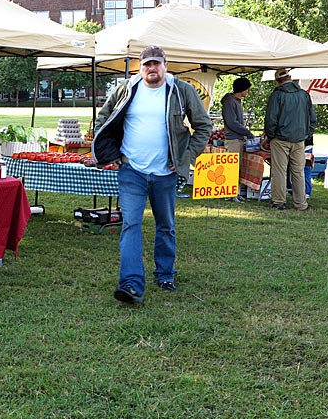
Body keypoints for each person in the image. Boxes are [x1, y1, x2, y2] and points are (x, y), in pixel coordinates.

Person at [92, 46, 212, 305]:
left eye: (157, 64)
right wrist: (111, 153)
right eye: (147, 64)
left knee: (166, 225)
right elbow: (103, 120)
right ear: (140, 67)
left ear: (165, 65)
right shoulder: (126, 90)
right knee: (131, 224)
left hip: (165, 173)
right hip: (131, 170)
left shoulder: (181, 91)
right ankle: (131, 284)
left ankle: (165, 273)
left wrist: (186, 158)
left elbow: (203, 126)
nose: (152, 69)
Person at [263, 68, 315, 211]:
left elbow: (271, 119)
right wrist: (306, 135)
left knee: (279, 171)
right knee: (298, 171)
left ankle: (279, 201)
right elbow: (312, 118)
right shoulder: (304, 95)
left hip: (280, 139)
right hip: (299, 139)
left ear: (277, 81)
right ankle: (301, 203)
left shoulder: (277, 95)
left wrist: (270, 136)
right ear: (290, 78)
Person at [221, 77, 255, 202]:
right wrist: (247, 132)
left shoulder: (236, 101)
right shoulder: (230, 102)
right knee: (232, 167)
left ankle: (235, 191)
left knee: (238, 166)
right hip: (233, 139)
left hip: (239, 138)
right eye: (247, 89)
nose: (249, 91)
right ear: (242, 89)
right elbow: (232, 122)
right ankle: (229, 194)